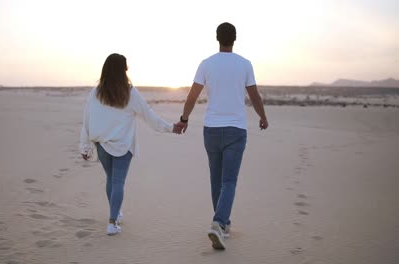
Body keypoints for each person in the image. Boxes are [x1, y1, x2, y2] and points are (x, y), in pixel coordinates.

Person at [175, 22, 269, 250]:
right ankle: (219, 223)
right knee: (229, 181)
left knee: (217, 180)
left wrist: (184, 119)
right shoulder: (245, 64)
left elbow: (192, 96)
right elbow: (255, 97)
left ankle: (223, 225)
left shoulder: (206, 64)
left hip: (212, 130)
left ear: (217, 38)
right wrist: (263, 116)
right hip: (236, 130)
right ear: (234, 39)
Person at [79, 53, 181, 235]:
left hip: (101, 144)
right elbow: (149, 116)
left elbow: (86, 119)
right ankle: (112, 222)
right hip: (122, 146)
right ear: (123, 69)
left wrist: (84, 145)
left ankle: (115, 214)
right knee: (118, 181)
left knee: (111, 180)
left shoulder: (96, 92)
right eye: (126, 66)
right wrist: (171, 128)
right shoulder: (129, 92)